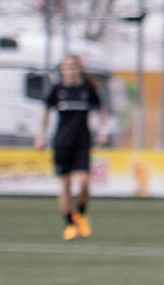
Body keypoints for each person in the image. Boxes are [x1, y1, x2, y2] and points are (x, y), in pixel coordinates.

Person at [34, 54, 110, 240]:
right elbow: (45, 112)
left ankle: (81, 213)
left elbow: (101, 110)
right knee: (66, 184)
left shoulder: (87, 89)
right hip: (61, 142)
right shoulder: (57, 90)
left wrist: (103, 131)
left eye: (74, 66)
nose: (70, 70)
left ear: (79, 69)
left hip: (82, 141)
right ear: (62, 70)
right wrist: (40, 136)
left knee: (84, 182)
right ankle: (69, 224)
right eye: (67, 67)